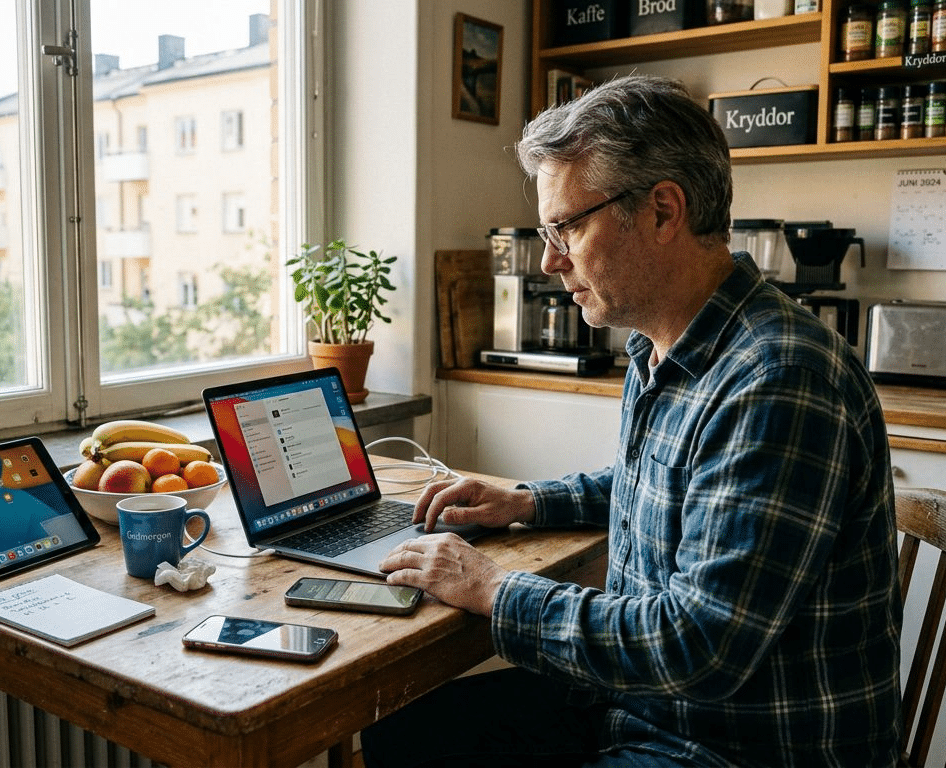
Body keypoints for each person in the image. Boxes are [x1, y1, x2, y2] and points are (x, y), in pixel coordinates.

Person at [362, 74, 901, 768]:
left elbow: (697, 646)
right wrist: (527, 501)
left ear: (663, 211)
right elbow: (661, 482)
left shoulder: (778, 378)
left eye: (567, 228)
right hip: (645, 711)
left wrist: (494, 588)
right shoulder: (663, 344)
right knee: (404, 730)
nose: (552, 261)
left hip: (736, 748)